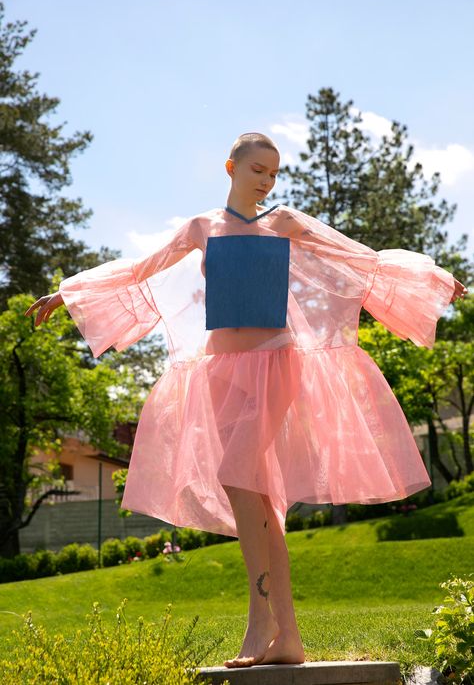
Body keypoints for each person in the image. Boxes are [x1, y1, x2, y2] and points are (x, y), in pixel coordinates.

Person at [25, 132, 468, 669]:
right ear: (231, 166)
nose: (266, 180)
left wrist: (429, 278)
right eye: (258, 168)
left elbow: (358, 257)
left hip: (275, 365)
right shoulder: (201, 228)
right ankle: (289, 638)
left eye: (274, 173)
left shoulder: (283, 222)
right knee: (261, 502)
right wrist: (67, 291)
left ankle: (260, 624)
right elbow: (139, 270)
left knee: (238, 478)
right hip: (220, 372)